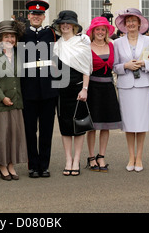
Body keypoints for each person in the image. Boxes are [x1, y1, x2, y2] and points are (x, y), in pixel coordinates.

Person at [113, 8, 149, 172]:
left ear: (140, 23)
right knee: (128, 123)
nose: (131, 23)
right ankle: (130, 156)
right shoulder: (117, 43)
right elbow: (114, 65)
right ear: (124, 25)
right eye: (128, 21)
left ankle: (139, 157)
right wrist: (126, 65)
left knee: (141, 122)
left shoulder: (148, 41)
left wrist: (143, 64)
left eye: (134, 20)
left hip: (142, 86)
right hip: (125, 86)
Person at [20, 0, 59, 178]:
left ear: (44, 17)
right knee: (29, 131)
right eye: (33, 14)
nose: (36, 17)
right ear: (29, 16)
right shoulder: (21, 33)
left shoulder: (52, 33)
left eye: (39, 15)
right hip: (27, 89)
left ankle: (44, 165)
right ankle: (32, 165)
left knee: (46, 130)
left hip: (48, 90)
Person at [0, 20, 27, 180]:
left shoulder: (18, 55)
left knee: (13, 135)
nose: (10, 39)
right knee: (1, 136)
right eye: (7, 36)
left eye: (13, 36)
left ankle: (11, 165)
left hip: (16, 102)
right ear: (0, 38)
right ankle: (2, 165)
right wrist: (2, 98)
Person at [52, 11, 92, 176]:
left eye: (69, 23)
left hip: (78, 89)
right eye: (63, 23)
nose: (65, 25)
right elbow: (54, 67)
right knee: (65, 126)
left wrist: (85, 89)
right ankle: (68, 159)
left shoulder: (82, 43)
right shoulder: (57, 44)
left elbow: (86, 69)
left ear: (74, 26)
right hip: (61, 90)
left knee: (79, 125)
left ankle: (77, 159)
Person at [85, 17, 123, 172]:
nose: (100, 32)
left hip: (108, 87)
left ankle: (102, 155)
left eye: (103, 30)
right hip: (93, 88)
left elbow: (118, 65)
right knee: (92, 126)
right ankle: (91, 156)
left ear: (107, 32)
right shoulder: (87, 47)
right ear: (93, 31)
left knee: (105, 125)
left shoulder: (112, 46)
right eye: (97, 29)